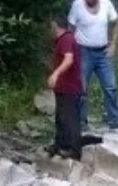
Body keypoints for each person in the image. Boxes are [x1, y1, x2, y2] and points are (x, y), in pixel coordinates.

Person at [69, 0, 118, 130]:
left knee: (111, 86)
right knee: (81, 89)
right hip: (83, 51)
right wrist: (71, 49)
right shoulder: (77, 5)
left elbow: (117, 22)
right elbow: (70, 28)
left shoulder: (106, 4)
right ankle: (81, 122)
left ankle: (114, 119)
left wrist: (113, 44)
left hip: (103, 52)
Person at [48, 17, 83, 160]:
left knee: (70, 118)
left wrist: (55, 74)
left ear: (55, 25)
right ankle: (60, 145)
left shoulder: (66, 39)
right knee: (61, 117)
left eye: (51, 26)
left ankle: (74, 150)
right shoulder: (64, 40)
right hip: (64, 87)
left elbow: (69, 59)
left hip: (70, 87)